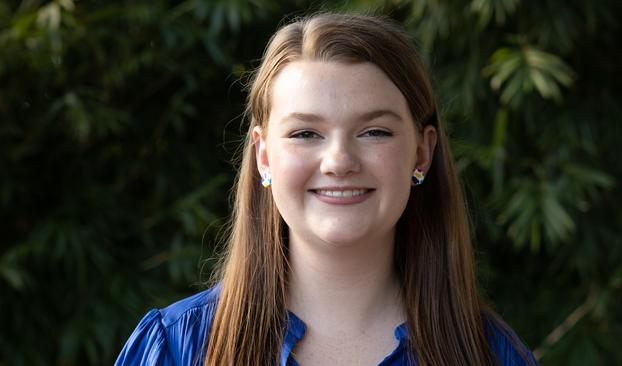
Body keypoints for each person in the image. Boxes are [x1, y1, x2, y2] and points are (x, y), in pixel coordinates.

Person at [116, 12, 539, 366]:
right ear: (264, 156)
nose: (339, 161)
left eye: (374, 131)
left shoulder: (492, 355)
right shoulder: (173, 349)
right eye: (305, 133)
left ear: (422, 154)